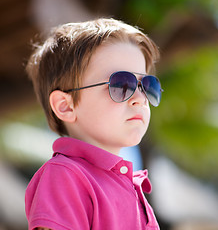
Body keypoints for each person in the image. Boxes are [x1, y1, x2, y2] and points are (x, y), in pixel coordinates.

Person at [24, 18, 162, 230]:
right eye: (122, 85)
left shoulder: (131, 185)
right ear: (65, 106)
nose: (140, 98)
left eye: (147, 85)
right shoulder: (65, 176)